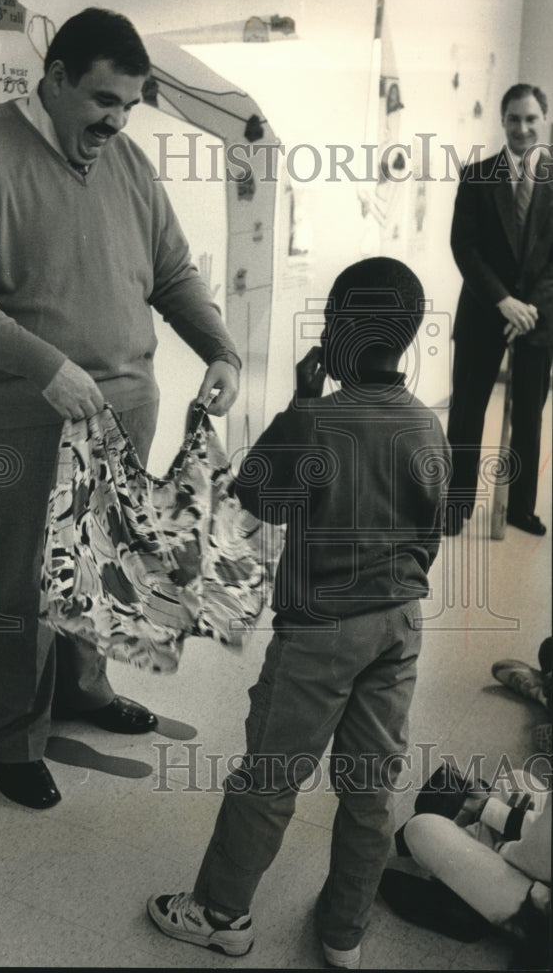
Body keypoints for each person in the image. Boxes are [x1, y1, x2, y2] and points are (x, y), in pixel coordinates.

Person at [0, 8, 241, 810]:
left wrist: (221, 350)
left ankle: (82, 693)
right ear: (54, 79)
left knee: (100, 570)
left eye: (129, 104)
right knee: (19, 584)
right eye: (102, 99)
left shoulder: (126, 163)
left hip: (120, 410)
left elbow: (170, 272)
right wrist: (44, 364)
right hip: (15, 418)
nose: (115, 120)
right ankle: (10, 738)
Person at [147, 257, 450, 969]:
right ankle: (344, 930)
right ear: (406, 336)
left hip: (320, 633)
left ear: (337, 329)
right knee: (371, 784)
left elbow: (254, 496)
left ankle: (221, 915)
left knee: (271, 775)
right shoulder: (425, 426)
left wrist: (296, 403)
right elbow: (429, 533)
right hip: (400, 626)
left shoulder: (315, 421)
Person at [444, 83, 553, 537]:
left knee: (528, 416)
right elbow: (464, 248)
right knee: (467, 412)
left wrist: (530, 308)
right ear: (502, 120)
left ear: (543, 119)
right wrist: (503, 302)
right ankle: (455, 506)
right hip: (484, 312)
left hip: (538, 319)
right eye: (514, 119)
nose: (522, 128)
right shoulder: (476, 176)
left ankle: (519, 508)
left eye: (531, 118)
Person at [380, 762, 551, 971]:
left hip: (539, 912)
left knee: (421, 829)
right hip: (542, 869)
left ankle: (470, 903)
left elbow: (535, 860)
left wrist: (498, 839)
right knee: (517, 780)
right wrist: (488, 808)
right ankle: (470, 840)